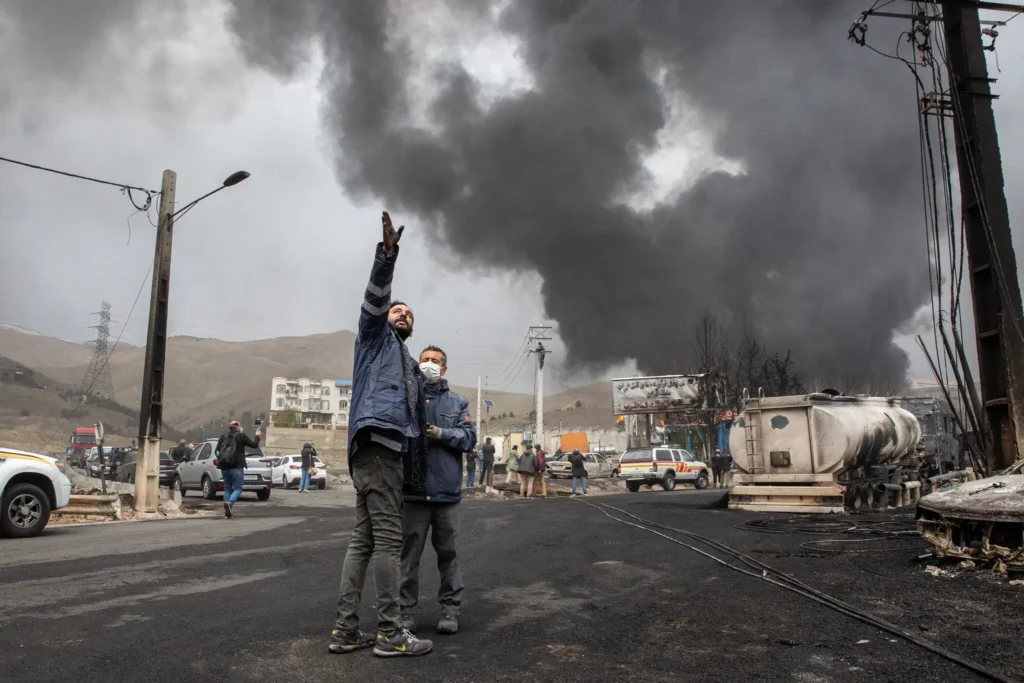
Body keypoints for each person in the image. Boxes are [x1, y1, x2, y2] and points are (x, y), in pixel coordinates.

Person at [329, 212, 433, 658]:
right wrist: (387, 257)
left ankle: (346, 630)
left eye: (409, 313)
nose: (402, 313)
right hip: (379, 448)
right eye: (398, 310)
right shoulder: (375, 338)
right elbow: (374, 301)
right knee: (388, 540)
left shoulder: (407, 363)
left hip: (375, 452)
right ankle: (391, 633)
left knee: (364, 541)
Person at [399, 345, 476, 636]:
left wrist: (442, 433)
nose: (429, 364)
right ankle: (405, 612)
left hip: (446, 495)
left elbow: (469, 438)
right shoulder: (405, 399)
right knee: (408, 557)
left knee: (449, 555)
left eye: (435, 361)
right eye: (425, 360)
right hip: (413, 493)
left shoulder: (458, 402)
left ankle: (450, 610)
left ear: (443, 369)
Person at [216, 420, 261, 518]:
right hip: (237, 466)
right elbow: (254, 445)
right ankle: (230, 503)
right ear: (237, 427)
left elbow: (217, 451)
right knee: (238, 488)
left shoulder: (223, 436)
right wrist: (257, 435)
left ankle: (227, 511)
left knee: (227, 488)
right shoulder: (241, 436)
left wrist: (221, 461)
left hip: (224, 467)